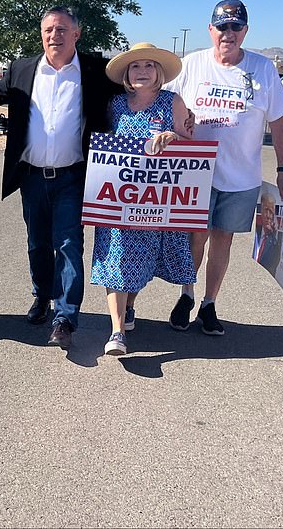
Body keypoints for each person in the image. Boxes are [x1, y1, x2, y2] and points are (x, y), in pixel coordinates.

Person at [0, 6, 121, 351]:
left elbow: (135, 90)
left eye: (62, 29)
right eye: (49, 30)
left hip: (74, 177)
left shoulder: (96, 70)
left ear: (76, 34)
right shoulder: (23, 68)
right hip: (32, 176)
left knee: (68, 244)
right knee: (37, 243)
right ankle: (42, 297)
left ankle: (65, 317)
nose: (55, 36)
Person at [164, 0, 283, 336]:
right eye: (222, 27)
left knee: (222, 241)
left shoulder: (263, 68)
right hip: (195, 174)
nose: (229, 33)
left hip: (241, 178)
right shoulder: (190, 65)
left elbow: (279, 123)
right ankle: (187, 295)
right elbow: (164, 105)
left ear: (245, 31)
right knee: (195, 239)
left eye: (236, 27)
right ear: (210, 30)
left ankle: (209, 303)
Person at [90, 43, 196, 356]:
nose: (142, 71)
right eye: (136, 66)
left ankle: (130, 307)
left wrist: (173, 137)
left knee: (141, 263)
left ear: (158, 72)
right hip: (119, 201)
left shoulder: (171, 102)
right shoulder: (114, 104)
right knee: (117, 260)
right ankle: (117, 331)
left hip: (155, 202)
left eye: (149, 66)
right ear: (126, 73)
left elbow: (190, 146)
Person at [254, 185, 283, 274]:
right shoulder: (257, 232)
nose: (268, 215)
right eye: (266, 210)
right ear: (261, 209)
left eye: (271, 211)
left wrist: (273, 236)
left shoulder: (276, 239)